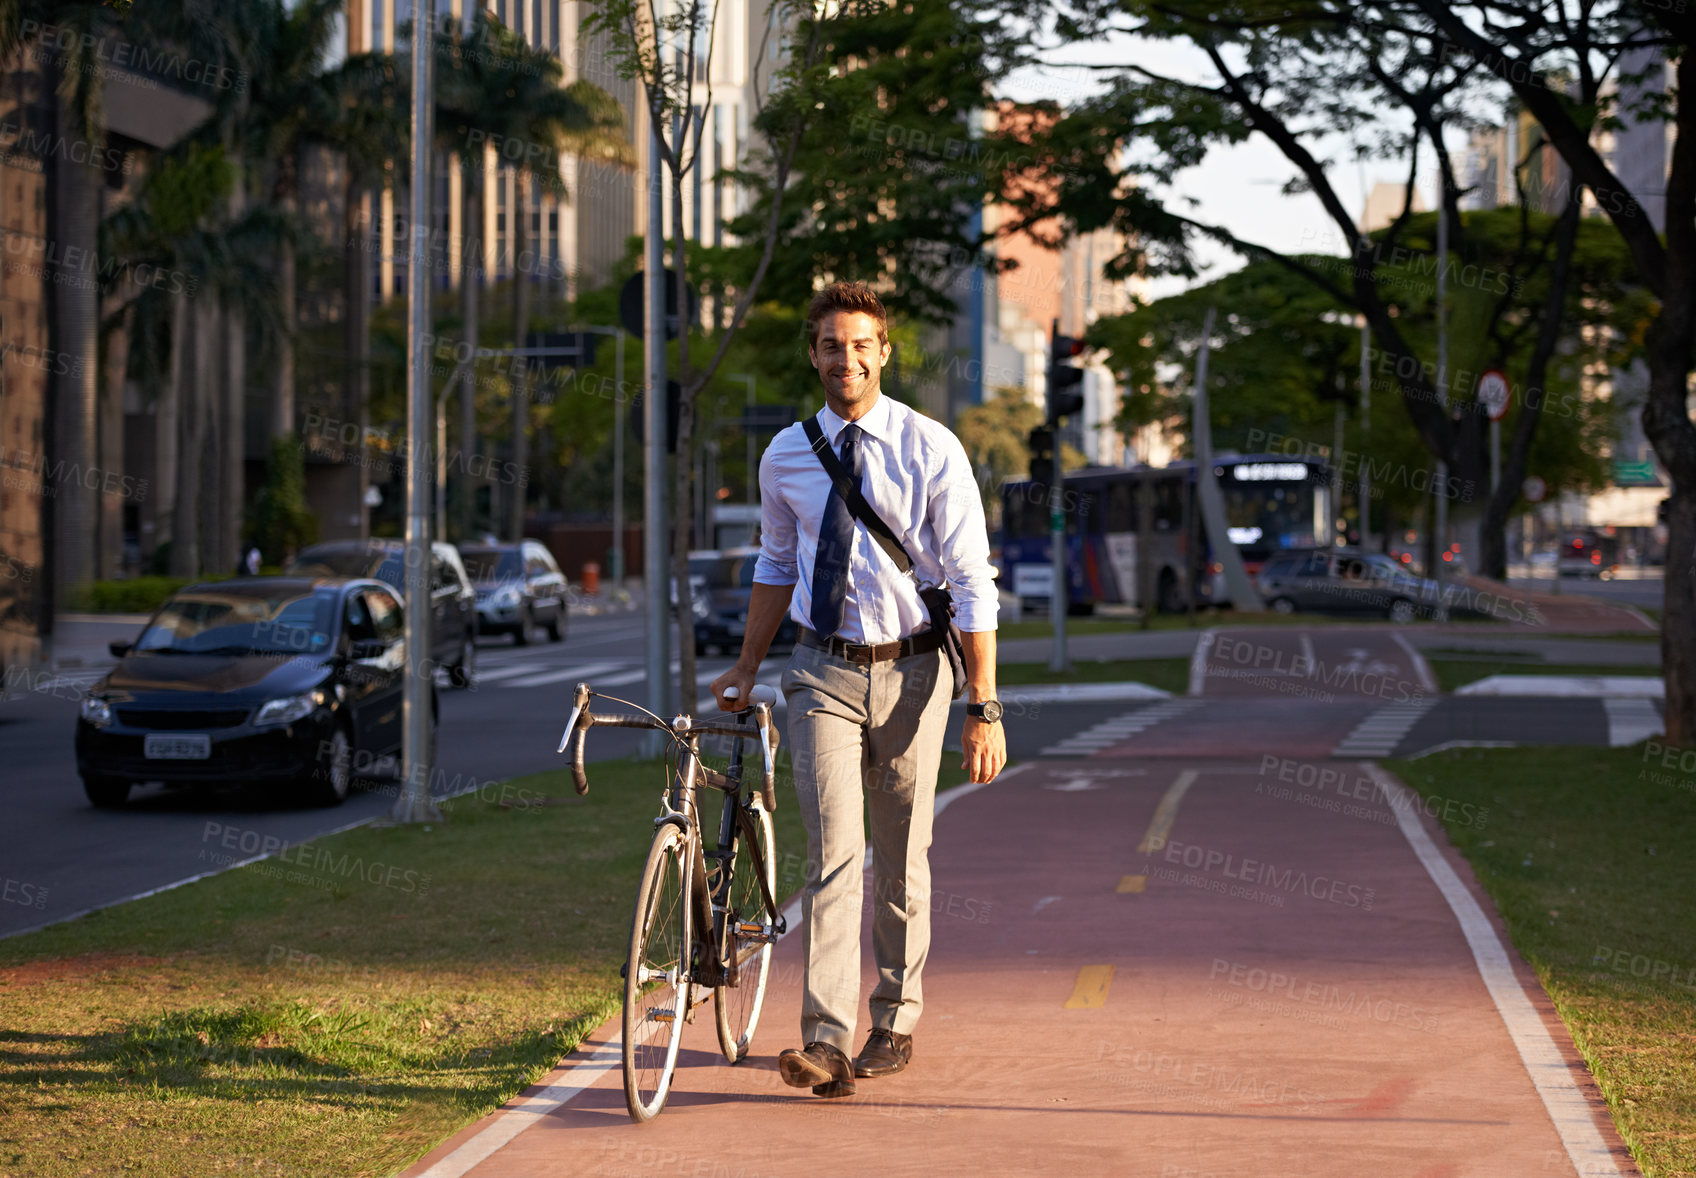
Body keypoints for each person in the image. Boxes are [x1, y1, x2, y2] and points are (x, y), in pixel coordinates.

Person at [710, 281, 1006, 1099]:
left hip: (917, 672)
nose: (847, 358)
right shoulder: (785, 455)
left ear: (884, 351)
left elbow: (974, 580)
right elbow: (775, 565)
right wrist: (745, 665)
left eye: (862, 344)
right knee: (835, 853)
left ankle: (895, 1015)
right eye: (832, 345)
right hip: (820, 670)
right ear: (814, 354)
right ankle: (826, 1042)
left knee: (903, 854)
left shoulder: (930, 447)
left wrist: (983, 703)